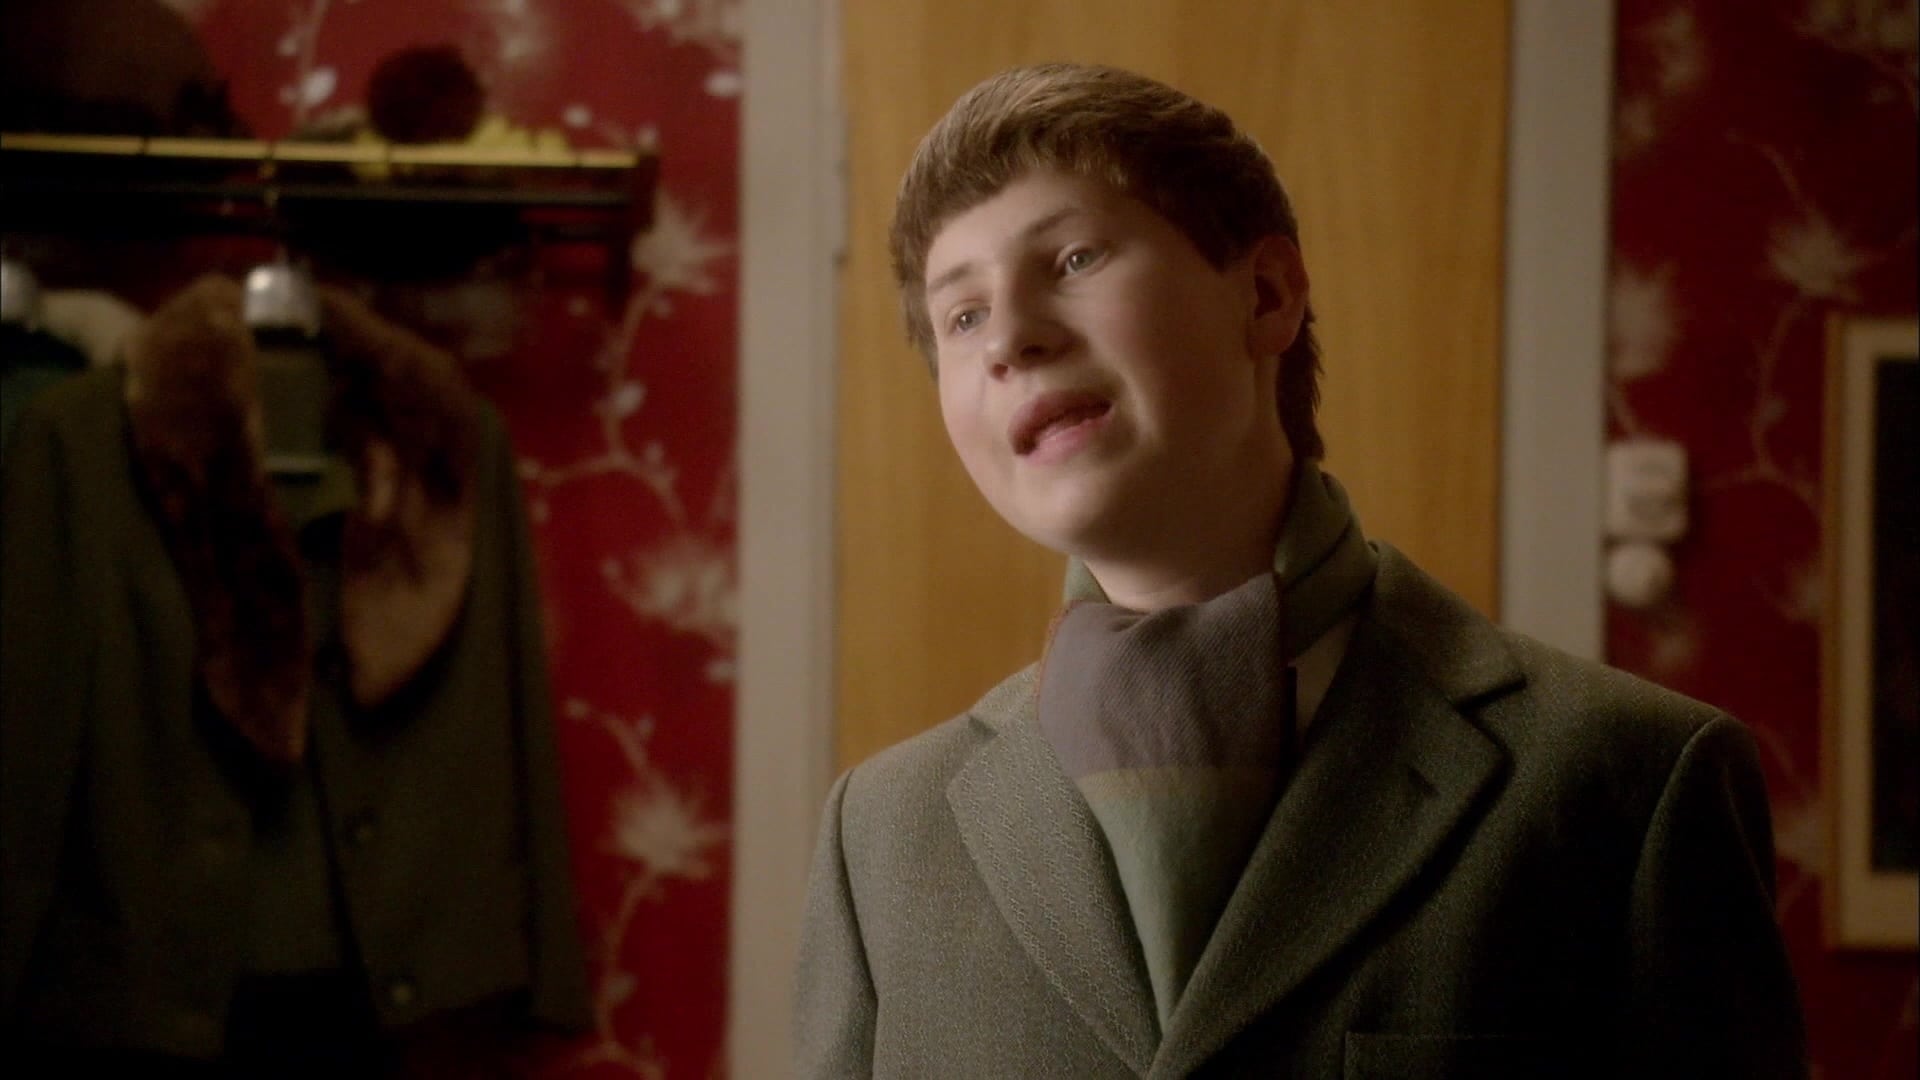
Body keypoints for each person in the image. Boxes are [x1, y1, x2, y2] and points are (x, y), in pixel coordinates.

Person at [794, 63, 1807, 1077]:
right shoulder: (878, 839)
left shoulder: (1626, 782)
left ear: (1267, 295)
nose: (1011, 337)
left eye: (1072, 257)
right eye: (962, 316)